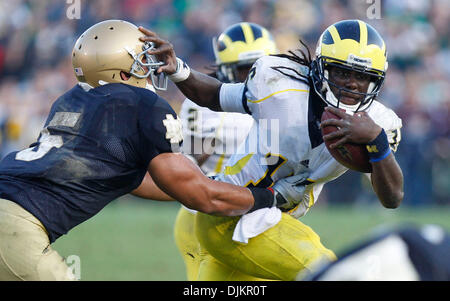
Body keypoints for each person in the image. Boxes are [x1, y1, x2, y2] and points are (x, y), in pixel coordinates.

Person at [0, 19, 288, 281]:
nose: (151, 70)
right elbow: (201, 195)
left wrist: (214, 188)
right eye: (142, 62)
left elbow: (139, 180)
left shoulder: (68, 100)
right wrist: (270, 197)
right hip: (15, 227)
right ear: (121, 71)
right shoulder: (143, 104)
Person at [139, 19, 405, 280]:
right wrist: (178, 70)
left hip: (268, 219)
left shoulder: (378, 123)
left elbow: (392, 198)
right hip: (227, 216)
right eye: (342, 72)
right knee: (328, 270)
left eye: (363, 76)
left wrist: (378, 142)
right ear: (320, 68)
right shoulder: (279, 88)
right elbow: (217, 95)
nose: (352, 84)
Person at [174, 22, 278, 280]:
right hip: (202, 212)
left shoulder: (282, 102)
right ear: (227, 70)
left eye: (262, 65)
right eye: (247, 69)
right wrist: (200, 152)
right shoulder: (199, 105)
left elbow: (277, 163)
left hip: (256, 215)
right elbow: (189, 162)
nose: (256, 75)